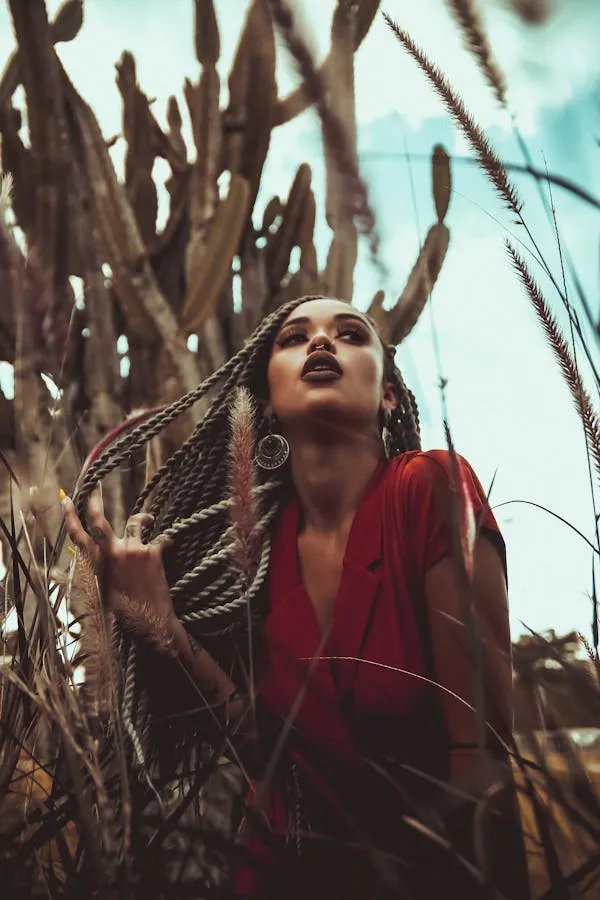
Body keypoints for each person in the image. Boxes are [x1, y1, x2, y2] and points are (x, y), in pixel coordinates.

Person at [62, 295, 530, 899]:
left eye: (350, 334)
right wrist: (161, 624)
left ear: (387, 394)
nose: (321, 342)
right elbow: (268, 753)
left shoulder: (429, 488)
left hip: (436, 874)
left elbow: (481, 756)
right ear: (266, 405)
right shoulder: (252, 560)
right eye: (294, 337)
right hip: (282, 875)